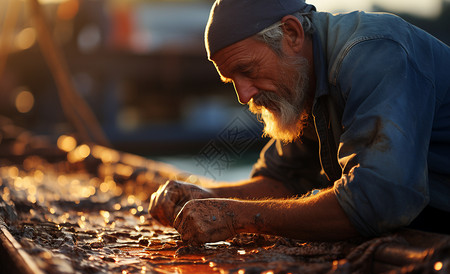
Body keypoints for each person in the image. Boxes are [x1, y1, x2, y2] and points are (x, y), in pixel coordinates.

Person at [149, 0, 450, 244]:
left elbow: (378, 201)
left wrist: (235, 217)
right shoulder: (301, 79)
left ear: (291, 33)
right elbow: (282, 180)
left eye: (247, 70)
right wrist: (209, 196)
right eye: (232, 80)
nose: (243, 95)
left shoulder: (374, 54)